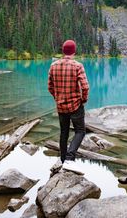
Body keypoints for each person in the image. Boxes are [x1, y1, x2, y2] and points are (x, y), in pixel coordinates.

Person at [48, 39, 89, 174]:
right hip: (75, 105)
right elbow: (85, 86)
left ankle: (63, 159)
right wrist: (83, 99)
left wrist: (57, 98)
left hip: (61, 106)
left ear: (63, 51)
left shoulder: (53, 66)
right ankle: (70, 160)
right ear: (74, 51)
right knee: (80, 131)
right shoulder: (77, 66)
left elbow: (50, 87)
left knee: (64, 132)